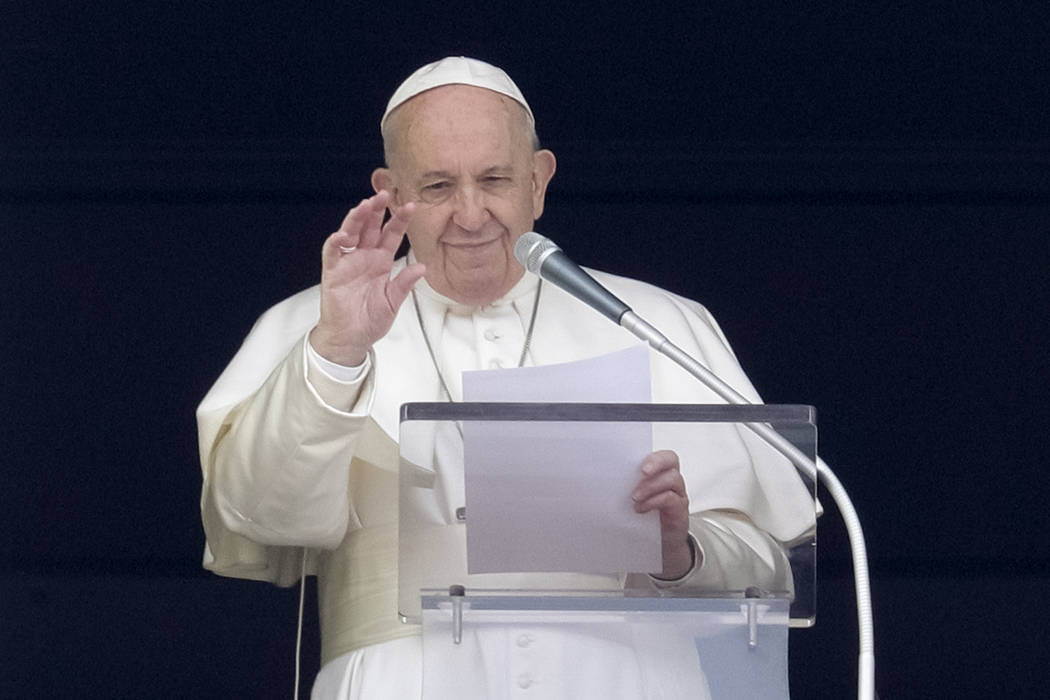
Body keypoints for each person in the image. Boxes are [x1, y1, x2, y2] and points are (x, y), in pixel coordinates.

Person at [197, 57, 814, 699]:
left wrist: (679, 552)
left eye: (495, 179)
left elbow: (772, 568)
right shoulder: (314, 325)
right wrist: (338, 350)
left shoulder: (659, 323)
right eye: (436, 186)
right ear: (390, 192)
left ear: (539, 182)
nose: (471, 214)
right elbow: (258, 516)